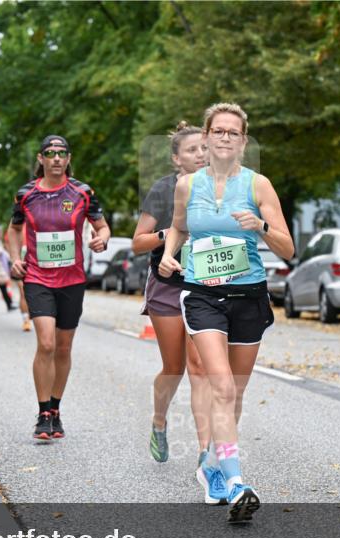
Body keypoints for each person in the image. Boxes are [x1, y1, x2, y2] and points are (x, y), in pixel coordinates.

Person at [159, 103, 294, 523]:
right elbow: (180, 226)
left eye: (233, 133)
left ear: (243, 141)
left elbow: (288, 249)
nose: (224, 138)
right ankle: (236, 482)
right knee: (220, 386)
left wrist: (260, 227)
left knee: (233, 393)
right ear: (207, 135)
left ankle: (213, 466)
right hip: (201, 294)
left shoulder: (259, 186)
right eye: (217, 131)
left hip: (249, 296)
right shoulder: (188, 186)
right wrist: (168, 254)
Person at [131, 122, 225, 500]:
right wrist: (171, 234)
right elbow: (138, 243)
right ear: (176, 158)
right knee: (175, 368)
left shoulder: (224, 187)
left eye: (205, 148)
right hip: (168, 288)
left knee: (200, 369)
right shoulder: (164, 190)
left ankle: (206, 457)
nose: (201, 155)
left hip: (207, 286)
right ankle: (159, 420)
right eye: (192, 150)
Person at [7, 135, 110, 440]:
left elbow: (101, 225)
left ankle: (55, 409)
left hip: (72, 279)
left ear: (68, 158)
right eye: (50, 153)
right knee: (47, 343)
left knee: (64, 348)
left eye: (61, 153)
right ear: (41, 158)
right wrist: (15, 259)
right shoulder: (25, 194)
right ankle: (42, 414)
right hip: (38, 277)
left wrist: (101, 238)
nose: (55, 158)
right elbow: (13, 230)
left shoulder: (82, 192)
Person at [6, 225, 31, 331]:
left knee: (27, 293)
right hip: (21, 261)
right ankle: (26, 319)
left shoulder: (38, 218)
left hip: (35, 261)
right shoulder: (17, 223)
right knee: (23, 292)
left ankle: (29, 316)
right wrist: (15, 258)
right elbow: (8, 242)